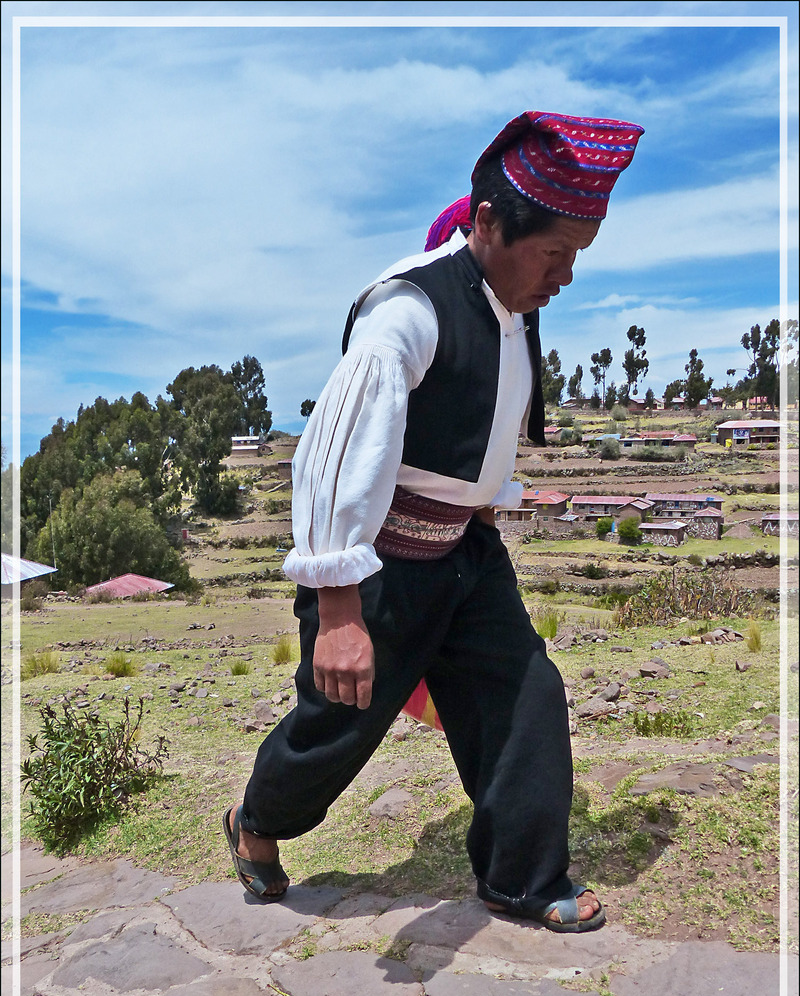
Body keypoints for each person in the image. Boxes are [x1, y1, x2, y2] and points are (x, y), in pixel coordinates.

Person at [224, 110, 644, 932]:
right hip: (378, 567)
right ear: (489, 223)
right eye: (554, 253)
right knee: (336, 726)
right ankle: (257, 821)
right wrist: (339, 610)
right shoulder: (406, 314)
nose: (563, 276)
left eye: (575, 257)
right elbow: (333, 455)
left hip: (467, 554)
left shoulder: (511, 308)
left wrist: (483, 501)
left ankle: (521, 879)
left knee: (525, 693)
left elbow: (474, 433)